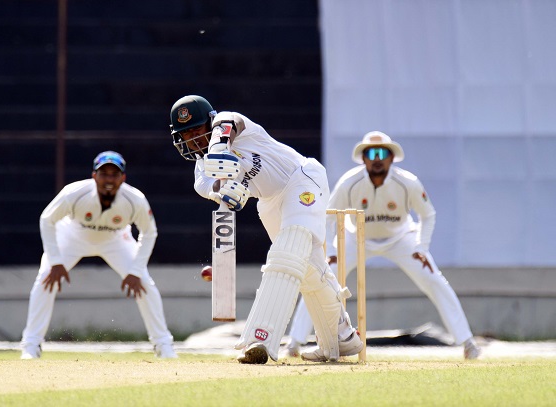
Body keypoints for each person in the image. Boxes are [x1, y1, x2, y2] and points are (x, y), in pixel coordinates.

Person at [169, 95, 363, 364]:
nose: (193, 139)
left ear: (210, 123)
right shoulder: (201, 173)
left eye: (197, 129)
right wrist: (224, 190)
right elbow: (212, 187)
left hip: (300, 178)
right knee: (308, 271)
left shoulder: (231, 124)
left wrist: (219, 145)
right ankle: (341, 337)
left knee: (286, 255)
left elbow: (230, 121)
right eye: (186, 134)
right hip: (269, 203)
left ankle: (261, 338)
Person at [286, 131, 481, 359]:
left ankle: (468, 342)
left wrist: (421, 247)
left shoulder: (407, 182)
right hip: (355, 237)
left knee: (433, 279)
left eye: (382, 153)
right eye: (371, 153)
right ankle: (294, 343)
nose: (377, 159)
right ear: (363, 158)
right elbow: (328, 216)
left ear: (391, 157)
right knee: (321, 278)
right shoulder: (350, 182)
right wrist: (330, 251)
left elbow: (428, 214)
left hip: (400, 237)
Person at [20, 151, 177, 359]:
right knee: (45, 280)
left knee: (144, 284)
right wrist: (56, 262)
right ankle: (31, 346)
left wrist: (136, 270)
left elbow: (149, 232)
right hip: (72, 236)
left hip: (115, 240)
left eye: (114, 174)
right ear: (94, 176)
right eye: (104, 174)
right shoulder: (75, 193)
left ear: (123, 178)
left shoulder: (135, 200)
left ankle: (164, 345)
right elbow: (46, 220)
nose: (109, 180)